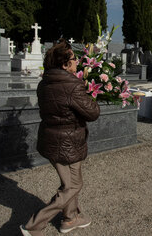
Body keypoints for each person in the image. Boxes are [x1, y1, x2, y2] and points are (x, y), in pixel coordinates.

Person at [20, 39, 100, 236]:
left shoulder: (44, 83)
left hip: (51, 139)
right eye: (73, 59)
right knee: (74, 185)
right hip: (68, 142)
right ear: (64, 64)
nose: (77, 62)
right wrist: (91, 97)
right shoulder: (72, 86)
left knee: (70, 183)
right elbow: (93, 113)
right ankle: (33, 226)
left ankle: (70, 218)